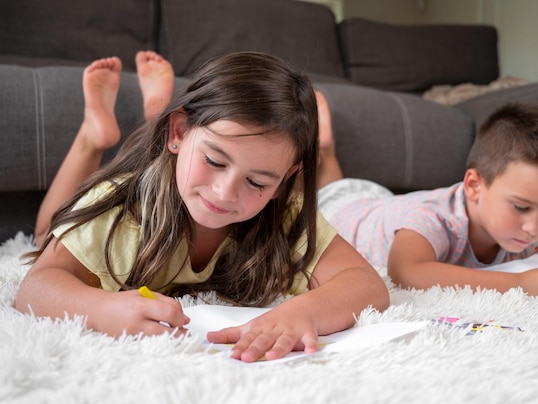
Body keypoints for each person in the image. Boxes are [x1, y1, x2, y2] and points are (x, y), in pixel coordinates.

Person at [15, 51, 389, 363]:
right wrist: (101, 310)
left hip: (184, 148)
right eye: (214, 161)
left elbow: (367, 284)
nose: (225, 193)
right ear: (177, 133)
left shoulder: (285, 213)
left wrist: (301, 312)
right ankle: (91, 137)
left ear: (283, 182)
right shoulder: (122, 209)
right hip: (132, 184)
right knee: (47, 232)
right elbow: (37, 286)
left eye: (257, 182)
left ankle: (160, 117)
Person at [315, 95, 538, 300]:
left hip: (386, 204)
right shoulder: (435, 218)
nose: (534, 228)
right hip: (345, 214)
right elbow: (406, 272)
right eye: (521, 207)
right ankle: (324, 149)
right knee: (327, 189)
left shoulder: (527, 228)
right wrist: (522, 285)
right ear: (474, 186)